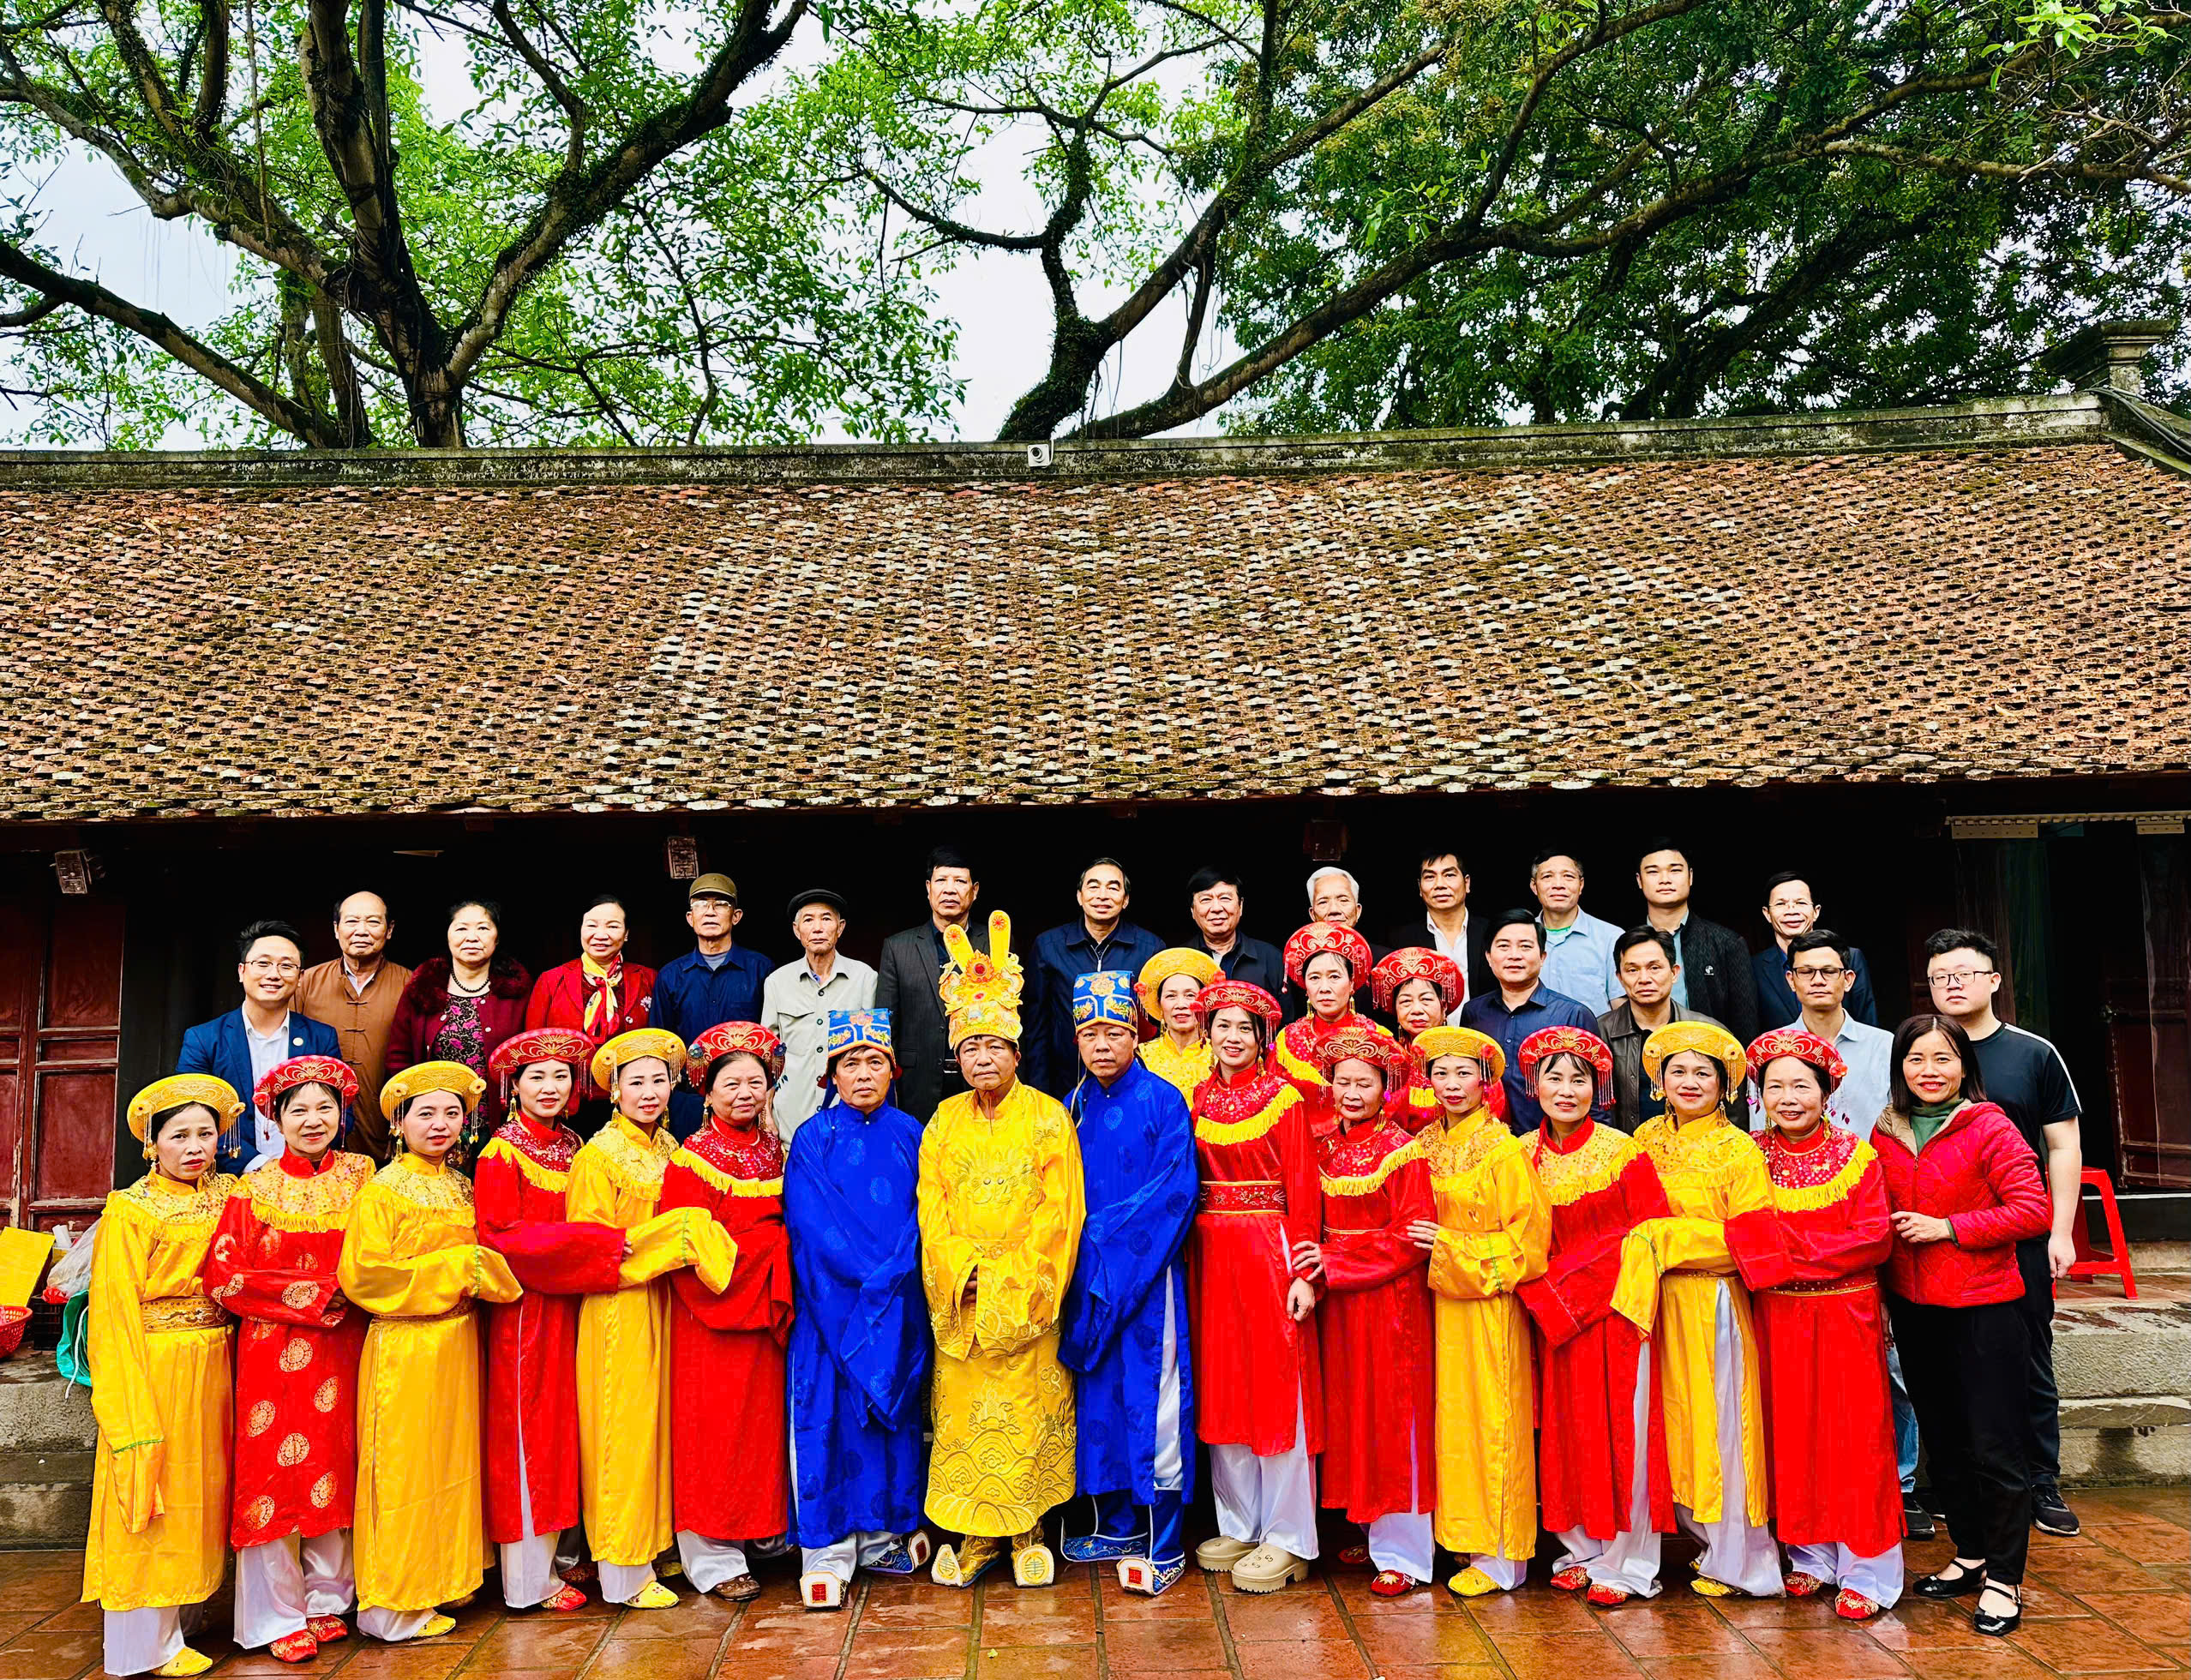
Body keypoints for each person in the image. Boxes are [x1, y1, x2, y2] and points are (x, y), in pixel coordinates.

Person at [918, 913, 1084, 1588]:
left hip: (1025, 1291)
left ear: (1017, 1051)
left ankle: (1026, 1530)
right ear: (955, 1057)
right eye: (970, 1048)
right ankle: (974, 1533)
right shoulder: (942, 1120)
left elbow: (1063, 1212)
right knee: (962, 1419)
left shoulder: (1049, 1116)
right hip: (963, 1295)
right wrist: (963, 1272)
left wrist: (1016, 1280)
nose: (982, 1059)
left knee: (1027, 1415)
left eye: (994, 1046)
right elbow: (931, 1207)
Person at [1872, 1014, 2051, 1638]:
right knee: (1945, 1441)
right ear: (1900, 1068)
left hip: (1984, 1307)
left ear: (1964, 1068)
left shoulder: (1989, 1126)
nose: (1929, 1071)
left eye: (1943, 1059)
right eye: (1916, 1059)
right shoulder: (1885, 1131)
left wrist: (1949, 1228)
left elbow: (2033, 1210)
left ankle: (2005, 1579)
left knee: (1996, 1445)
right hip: (1915, 1309)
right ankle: (1971, 1554)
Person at [337, 1062, 523, 1642]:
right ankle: (392, 1603)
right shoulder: (383, 1190)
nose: (440, 1124)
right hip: (407, 1345)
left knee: (450, 1463)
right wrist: (453, 1271)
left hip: (458, 1342)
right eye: (425, 1113)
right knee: (405, 1470)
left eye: (452, 1114)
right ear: (399, 1122)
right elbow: (363, 1276)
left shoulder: (462, 1184)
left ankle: (443, 1579)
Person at [1612, 1022, 1792, 1599]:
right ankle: (1671, 1542)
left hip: (1710, 1303)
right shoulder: (1641, 1139)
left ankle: (1739, 1559)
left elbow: (1752, 1240)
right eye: (1678, 1072)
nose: (1689, 1082)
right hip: (1649, 1303)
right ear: (1660, 1081)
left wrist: (1666, 1239)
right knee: (1658, 1422)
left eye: (1703, 1073)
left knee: (1719, 1427)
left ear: (1726, 1087)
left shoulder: (1739, 1149)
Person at [204, 1057, 375, 1664]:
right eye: (298, 1109)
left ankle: (329, 1599)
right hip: (272, 1348)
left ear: (342, 1114)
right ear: (275, 1119)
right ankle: (275, 1615)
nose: (313, 1119)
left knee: (338, 1464)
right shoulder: (251, 1188)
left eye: (324, 1107)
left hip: (347, 1344)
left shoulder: (363, 1175)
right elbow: (222, 1276)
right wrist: (311, 1295)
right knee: (271, 1478)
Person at [1924, 927, 2086, 1539]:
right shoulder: (1924, 1052)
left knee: (2028, 1359)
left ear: (1993, 980)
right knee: (1946, 1361)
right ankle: (1953, 1477)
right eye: (1941, 977)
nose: (1953, 985)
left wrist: (2060, 1232)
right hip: (1941, 1237)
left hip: (2018, 1234)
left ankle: (2041, 1478)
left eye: (1965, 974)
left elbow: (2063, 1144)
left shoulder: (2032, 1053)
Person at [568, 1029, 736, 1609]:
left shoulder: (673, 1148)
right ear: (612, 1091)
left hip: (669, 1304)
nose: (647, 1091)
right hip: (619, 1306)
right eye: (633, 1082)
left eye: (657, 1080)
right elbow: (591, 1247)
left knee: (662, 1429)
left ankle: (656, 1546)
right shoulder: (597, 1156)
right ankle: (622, 1569)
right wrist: (673, 1240)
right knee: (624, 1431)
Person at [84, 1076, 243, 1679]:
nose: (194, 1145)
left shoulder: (228, 1195)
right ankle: (138, 1648)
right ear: (154, 1143)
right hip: (155, 1364)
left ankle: (180, 1626)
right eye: (179, 1135)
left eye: (205, 1133)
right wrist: (127, 1405)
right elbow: (114, 1310)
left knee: (198, 1495)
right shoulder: (131, 1207)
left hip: (215, 1361)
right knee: (152, 1494)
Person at [1744, 1029, 1903, 1620]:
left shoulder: (1858, 1156)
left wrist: (1785, 1252)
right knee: (1792, 1431)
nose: (1789, 1097)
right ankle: (1810, 1554)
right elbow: (1743, 1232)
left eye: (1801, 1085)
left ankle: (1869, 1568)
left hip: (1845, 1314)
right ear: (1760, 1095)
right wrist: (1793, 1251)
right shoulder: (1749, 1156)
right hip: (1777, 1316)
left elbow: (1871, 1240)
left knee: (1854, 1438)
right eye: (1776, 1085)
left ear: (1826, 1090)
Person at [1514, 1028, 1672, 1607]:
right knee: (1567, 1433)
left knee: (1624, 1435)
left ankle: (1630, 1563)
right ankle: (1581, 1546)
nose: (1566, 1090)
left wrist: (1569, 1287)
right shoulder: (1521, 1152)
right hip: (1553, 1318)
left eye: (1579, 1079)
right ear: (1533, 1085)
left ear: (1597, 1088)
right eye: (1554, 1077)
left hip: (1616, 1313)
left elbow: (1650, 1232)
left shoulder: (1623, 1151)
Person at [783, 1009, 933, 1609]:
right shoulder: (812, 1140)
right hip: (833, 1310)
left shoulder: (912, 1132)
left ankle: (882, 1537)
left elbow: (930, 1216)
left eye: (875, 1062)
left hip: (898, 1304)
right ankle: (827, 1552)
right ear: (830, 1076)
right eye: (851, 1063)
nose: (864, 1073)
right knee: (830, 1418)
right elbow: (812, 1227)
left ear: (893, 1070)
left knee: (890, 1420)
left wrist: (896, 1279)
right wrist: (873, 1284)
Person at [474, 1028, 627, 1614]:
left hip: (572, 1300)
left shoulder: (571, 1144)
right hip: (526, 1309)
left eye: (560, 1076)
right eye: (536, 1076)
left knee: (568, 1430)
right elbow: (501, 1238)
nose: (549, 1086)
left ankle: (563, 1556)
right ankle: (526, 1580)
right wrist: (595, 1244)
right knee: (527, 1433)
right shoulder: (500, 1151)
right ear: (513, 1085)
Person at [1058, 971, 1198, 1596]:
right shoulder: (1073, 1103)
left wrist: (1102, 1239)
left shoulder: (1164, 1099)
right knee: (1102, 1401)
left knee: (1156, 1400)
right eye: (1090, 1034)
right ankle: (1116, 1523)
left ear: (1138, 1035)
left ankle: (1165, 1541)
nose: (1103, 1045)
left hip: (1147, 1276)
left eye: (1115, 1031)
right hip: (1089, 1282)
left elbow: (1175, 1192)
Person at [1186, 980, 1324, 1595]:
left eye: (1245, 1028)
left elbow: (1303, 1187)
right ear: (1207, 1032)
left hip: (1270, 1250)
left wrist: (1303, 1271)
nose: (1233, 1038)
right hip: (1211, 1254)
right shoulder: (1197, 1097)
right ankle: (1240, 1522)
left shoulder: (1284, 1099)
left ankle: (1290, 1537)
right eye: (1223, 1026)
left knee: (1276, 1385)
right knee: (1225, 1383)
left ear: (1263, 1036)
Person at [1406, 1028, 1546, 1599]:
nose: (1452, 1084)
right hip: (1433, 1302)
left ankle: (1502, 1554)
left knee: (1493, 1420)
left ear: (1486, 1082)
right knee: (1450, 1423)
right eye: (1441, 1073)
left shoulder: (1505, 1149)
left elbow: (1529, 1245)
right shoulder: (1423, 1145)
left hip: (1489, 1305)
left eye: (1465, 1073)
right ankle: (1461, 1539)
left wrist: (1450, 1245)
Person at [663, 1023, 796, 1602]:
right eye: (731, 1083)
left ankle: (760, 1531)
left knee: (761, 1429)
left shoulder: (774, 1148)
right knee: (712, 1432)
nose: (745, 1092)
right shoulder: (692, 1159)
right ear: (707, 1093)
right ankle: (712, 1558)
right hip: (715, 1314)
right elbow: (687, 1246)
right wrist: (772, 1256)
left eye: (756, 1082)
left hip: (764, 1314)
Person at [1307, 1029, 1436, 1596]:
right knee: (1353, 1413)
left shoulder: (1404, 1151)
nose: (1353, 1092)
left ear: (1387, 1088)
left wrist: (1333, 1260)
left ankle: (1405, 1553)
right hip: (1340, 1305)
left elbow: (1412, 1238)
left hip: (1390, 1303)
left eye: (1365, 1083)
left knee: (1394, 1418)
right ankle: (1369, 1519)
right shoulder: (1325, 1147)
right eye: (1343, 1082)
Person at [177, 920, 343, 1173]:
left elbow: (342, 1112)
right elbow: (190, 1116)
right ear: (242, 971)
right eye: (263, 963)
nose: (274, 974)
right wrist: (258, 1166)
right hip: (229, 1179)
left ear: (300, 978)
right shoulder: (204, 1039)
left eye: (286, 966)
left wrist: (300, 1165)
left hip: (308, 1179)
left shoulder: (322, 1038)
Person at [386, 899, 533, 1161]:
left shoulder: (517, 991)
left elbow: (532, 1058)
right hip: (436, 1125)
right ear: (448, 935)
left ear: (497, 938)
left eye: (483, 929)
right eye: (462, 928)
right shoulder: (423, 988)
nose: (472, 938)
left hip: (502, 1121)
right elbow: (399, 1056)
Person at [1029, 858, 1168, 1095]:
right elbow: (1037, 1025)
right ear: (1080, 897)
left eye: (1113, 887)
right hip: (1066, 1080)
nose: (1102, 895)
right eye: (1093, 887)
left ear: (1125, 901)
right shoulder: (1048, 946)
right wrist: (1039, 1090)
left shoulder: (1150, 948)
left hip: (1134, 1084)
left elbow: (1159, 1025)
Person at [652, 876, 776, 1137]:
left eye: (720, 904)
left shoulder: (761, 970)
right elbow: (659, 1044)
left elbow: (773, 1040)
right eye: (700, 905)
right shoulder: (671, 975)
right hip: (687, 1100)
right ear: (690, 917)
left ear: (736, 916)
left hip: (746, 1098)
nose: (710, 912)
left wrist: (767, 1100)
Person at [1458, 910, 1600, 1132]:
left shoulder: (1574, 1015)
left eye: (1525, 946)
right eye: (1504, 946)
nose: (1514, 955)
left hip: (1553, 1148)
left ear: (1543, 957)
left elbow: (1597, 1099)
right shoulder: (1474, 1013)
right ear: (1488, 956)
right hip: (1487, 1149)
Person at [295, 892, 412, 1158]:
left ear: (389, 930)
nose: (362, 931)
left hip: (386, 1122)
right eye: (352, 922)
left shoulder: (411, 984)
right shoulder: (305, 983)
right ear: (336, 930)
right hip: (316, 1127)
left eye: (372, 922)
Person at [876, 847, 987, 1122]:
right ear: (928, 888)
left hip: (980, 1077)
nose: (950, 889)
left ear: (974, 891)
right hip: (916, 1082)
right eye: (941, 880)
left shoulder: (995, 943)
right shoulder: (898, 947)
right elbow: (885, 1025)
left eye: (960, 882)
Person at [761, 888, 878, 1140]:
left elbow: (874, 1051)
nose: (817, 928)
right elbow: (768, 1057)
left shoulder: (865, 978)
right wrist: (765, 1112)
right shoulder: (777, 982)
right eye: (808, 920)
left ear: (840, 927)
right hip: (791, 1116)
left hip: (848, 1114)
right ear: (796, 930)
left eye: (826, 919)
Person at [1599, 928, 1727, 1133]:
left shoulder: (1708, 1031)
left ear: (1674, 972)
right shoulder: (1600, 1033)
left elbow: (1732, 1107)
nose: (1644, 979)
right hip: (1623, 1153)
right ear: (1620, 978)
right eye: (1632, 970)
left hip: (1697, 1156)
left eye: (1654, 968)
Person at [1635, 840, 1760, 1043]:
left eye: (1675, 870)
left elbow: (1745, 1023)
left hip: (1709, 1060)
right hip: (1641, 1059)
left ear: (1690, 876)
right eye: (1653, 872)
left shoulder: (1727, 943)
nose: (1665, 879)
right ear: (1639, 881)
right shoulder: (1625, 944)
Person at [1275, 921, 1390, 1133]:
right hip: (1301, 1151)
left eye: (1335, 977)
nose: (1324, 988)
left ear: (1352, 983)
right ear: (1305, 987)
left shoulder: (1377, 1038)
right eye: (1315, 978)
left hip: (1360, 1153)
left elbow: (1392, 1106)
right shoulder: (1287, 1040)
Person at [526, 893, 659, 1041]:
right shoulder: (551, 980)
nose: (601, 935)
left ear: (626, 934)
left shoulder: (650, 978)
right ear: (581, 929)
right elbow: (533, 1043)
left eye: (613, 926)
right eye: (591, 925)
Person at [1753, 873, 1878, 1029]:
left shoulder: (1851, 957)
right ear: (1767, 914)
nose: (1791, 911)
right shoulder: (1754, 967)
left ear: (1816, 911)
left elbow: (1867, 1022)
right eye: (1781, 904)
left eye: (1800, 902)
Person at [1371, 947, 1462, 1132]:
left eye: (1426, 1000)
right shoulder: (1386, 1060)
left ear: (1444, 1006)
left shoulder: (1466, 1056)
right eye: (1405, 1002)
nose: (1416, 1010)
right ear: (1395, 1012)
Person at [1384, 850, 1491, 1009]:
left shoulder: (1491, 932)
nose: (1440, 884)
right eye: (1430, 877)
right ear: (1420, 888)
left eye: (1449, 875)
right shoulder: (1401, 941)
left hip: (1485, 1031)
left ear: (1466, 883)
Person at [1530, 852, 1622, 1017]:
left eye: (1568, 876)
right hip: (1531, 1040)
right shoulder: (1519, 938)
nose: (1558, 884)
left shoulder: (1611, 937)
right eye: (1547, 877)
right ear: (1534, 886)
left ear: (1581, 885)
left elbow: (1620, 1007)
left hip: (1593, 1040)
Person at [1183, 866, 1287, 997]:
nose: (1216, 908)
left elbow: (1286, 1017)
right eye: (1206, 900)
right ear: (1192, 910)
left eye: (1225, 898)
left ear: (1240, 905)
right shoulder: (1178, 960)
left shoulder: (1272, 959)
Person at [1135, 946, 1222, 1101]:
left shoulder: (1220, 1056)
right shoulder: (1140, 1057)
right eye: (1171, 996)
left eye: (1190, 995)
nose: (1181, 1004)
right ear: (1159, 1004)